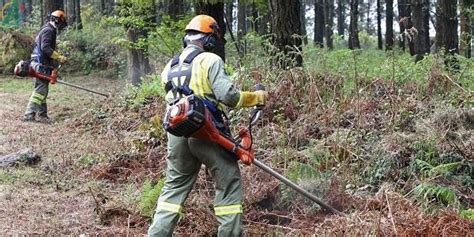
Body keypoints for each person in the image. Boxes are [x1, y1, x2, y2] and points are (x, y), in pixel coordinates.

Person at [148, 15, 267, 237]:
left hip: (177, 134)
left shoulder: (169, 66)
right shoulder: (210, 60)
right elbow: (228, 96)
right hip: (206, 130)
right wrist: (256, 97)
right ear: (210, 39)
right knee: (228, 183)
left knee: (173, 189)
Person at [23, 10, 67, 123]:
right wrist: (58, 57)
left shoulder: (47, 29)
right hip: (40, 63)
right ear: (57, 21)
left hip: (39, 62)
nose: (61, 25)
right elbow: (45, 48)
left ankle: (42, 114)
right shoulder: (48, 31)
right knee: (40, 90)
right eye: (61, 22)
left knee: (42, 90)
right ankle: (29, 114)